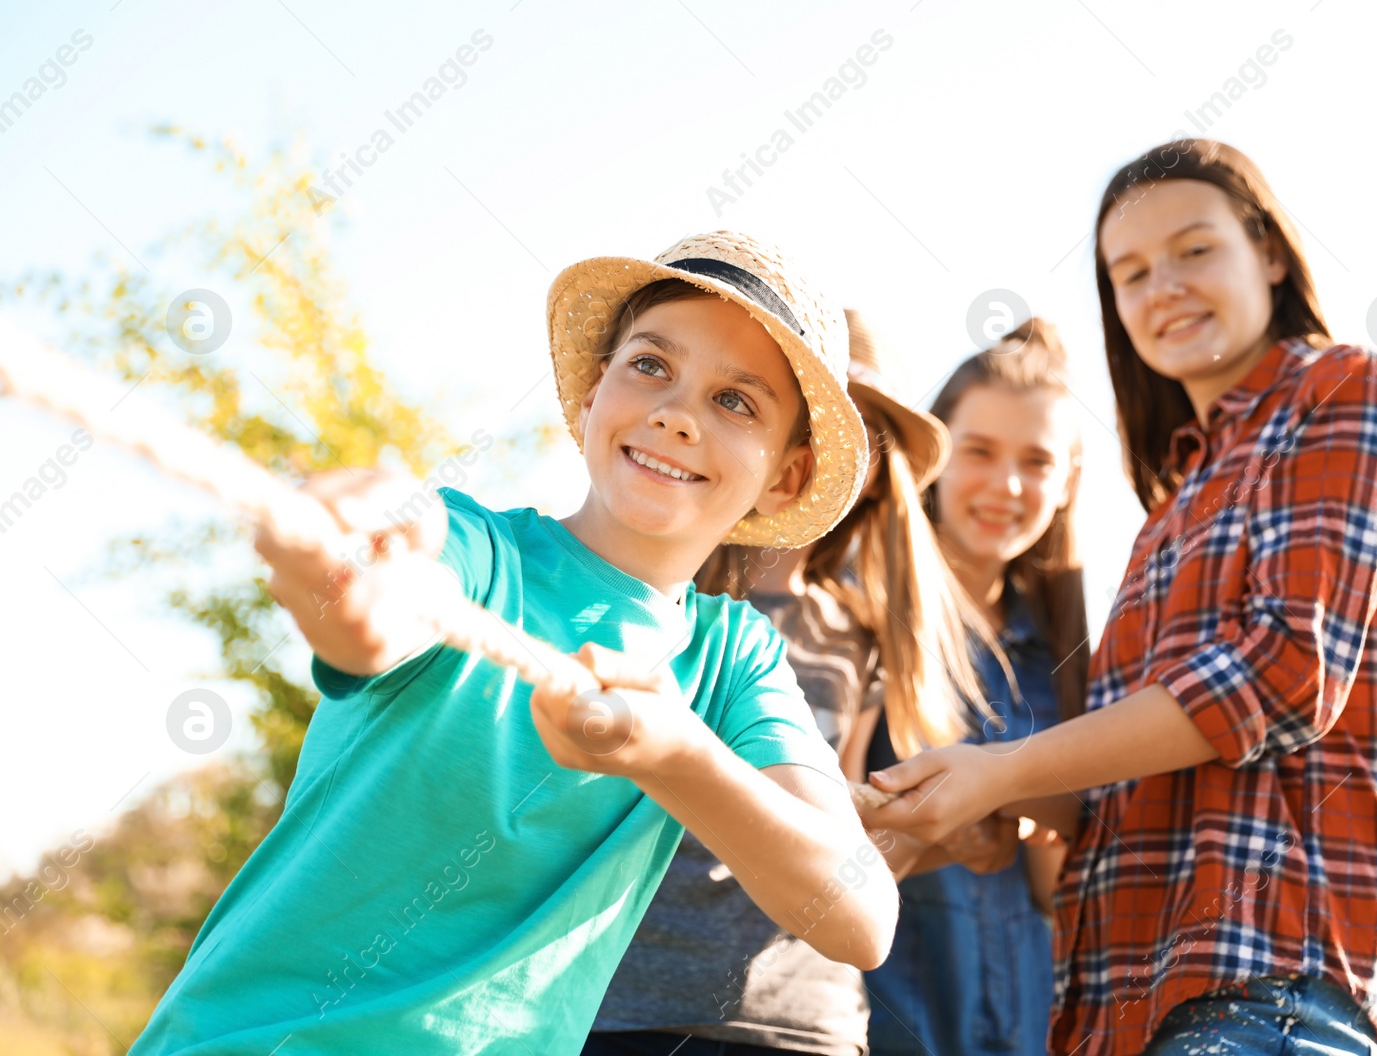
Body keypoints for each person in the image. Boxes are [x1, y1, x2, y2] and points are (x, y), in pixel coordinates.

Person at [128, 231, 900, 1055]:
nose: (676, 413)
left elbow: (859, 916)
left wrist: (674, 757)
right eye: (650, 365)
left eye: (737, 400)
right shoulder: (476, 550)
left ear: (785, 475)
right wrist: (358, 551)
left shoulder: (732, 660)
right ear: (593, 390)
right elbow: (375, 611)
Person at [865, 139, 1377, 1056]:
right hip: (1129, 1008)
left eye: (1195, 249)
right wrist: (976, 806)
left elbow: (1285, 673)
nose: (1161, 286)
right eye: (1128, 273)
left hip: (1272, 988)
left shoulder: (1342, 389)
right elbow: (1135, 779)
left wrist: (1006, 768)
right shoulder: (1171, 505)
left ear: (1271, 253)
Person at [585, 308, 994, 1056]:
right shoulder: (659, 603)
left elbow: (836, 826)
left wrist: (938, 829)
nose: (844, 446)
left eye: (864, 429)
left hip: (795, 1016)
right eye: (825, 413)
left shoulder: (868, 634)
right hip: (623, 998)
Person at [863, 318, 1090, 1056]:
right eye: (980, 453)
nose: (1007, 485)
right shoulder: (857, 615)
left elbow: (1062, 886)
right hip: (882, 1031)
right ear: (932, 458)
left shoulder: (1068, 655)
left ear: (1067, 482)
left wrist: (1024, 811)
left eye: (1036, 461)